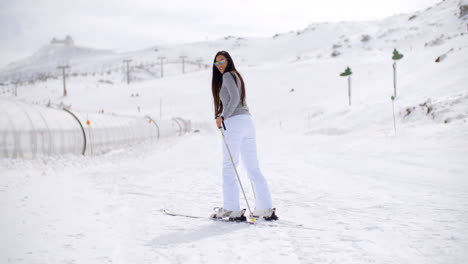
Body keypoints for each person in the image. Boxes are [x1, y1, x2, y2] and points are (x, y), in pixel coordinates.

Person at [210, 50, 278, 221]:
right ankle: (265, 207)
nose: (219, 65)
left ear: (229, 60)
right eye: (216, 63)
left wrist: (223, 116)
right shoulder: (236, 76)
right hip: (248, 122)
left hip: (234, 122)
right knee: (252, 167)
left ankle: (231, 208)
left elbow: (233, 99)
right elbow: (238, 99)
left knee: (229, 166)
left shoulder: (227, 76)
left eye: (222, 61)